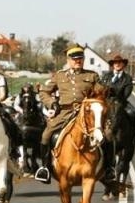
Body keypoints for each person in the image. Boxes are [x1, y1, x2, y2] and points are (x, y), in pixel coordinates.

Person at [33, 45, 104, 182]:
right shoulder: (59, 75)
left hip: (87, 112)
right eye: (74, 59)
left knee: (106, 134)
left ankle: (108, 168)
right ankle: (45, 168)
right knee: (46, 135)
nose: (78, 61)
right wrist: (52, 103)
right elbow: (44, 92)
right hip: (65, 112)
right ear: (68, 60)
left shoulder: (92, 76)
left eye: (80, 58)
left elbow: (99, 94)